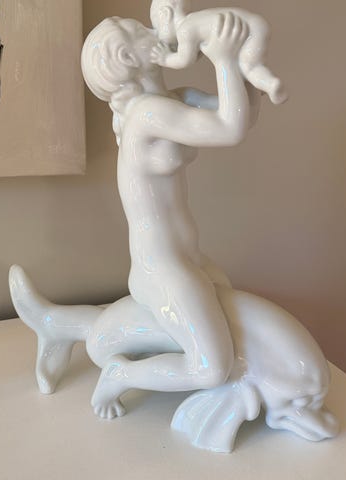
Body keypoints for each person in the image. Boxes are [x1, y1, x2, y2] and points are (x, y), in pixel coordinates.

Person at [80, 13, 261, 417]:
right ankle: (121, 375)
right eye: (139, 30)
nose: (154, 30)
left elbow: (243, 115)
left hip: (190, 257)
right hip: (160, 267)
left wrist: (242, 61)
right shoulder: (146, 114)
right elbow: (228, 130)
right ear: (129, 57)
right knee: (211, 368)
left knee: (234, 333)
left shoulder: (173, 100)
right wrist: (224, 59)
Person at [150, 0, 287, 105]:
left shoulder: (185, 30)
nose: (158, 33)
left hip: (248, 29)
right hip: (255, 23)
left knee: (249, 66)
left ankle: (271, 84)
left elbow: (185, 60)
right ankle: (262, 82)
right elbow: (197, 53)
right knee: (250, 65)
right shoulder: (196, 20)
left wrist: (165, 58)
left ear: (165, 14)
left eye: (157, 27)